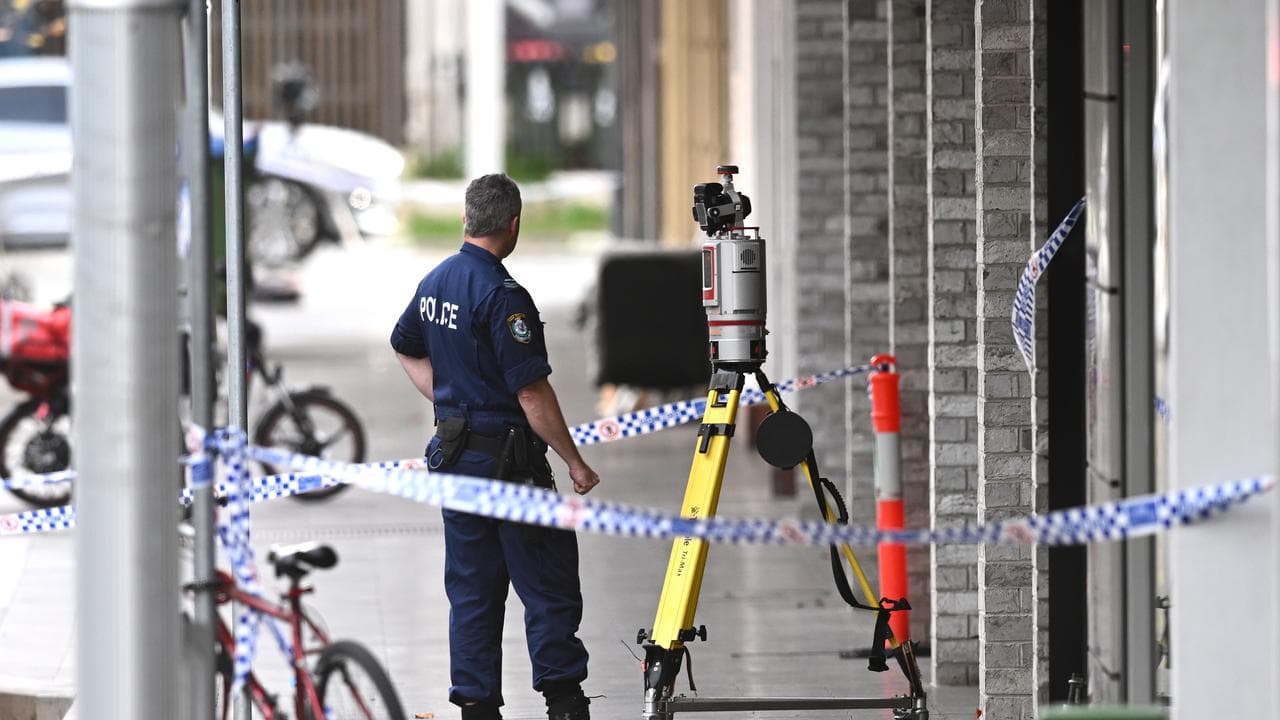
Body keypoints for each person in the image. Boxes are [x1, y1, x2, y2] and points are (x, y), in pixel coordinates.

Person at [390, 173, 600, 720]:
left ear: (466, 219)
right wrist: (574, 461)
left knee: (472, 591)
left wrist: (449, 397)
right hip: (510, 468)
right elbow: (531, 391)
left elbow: (405, 346)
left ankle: (477, 706)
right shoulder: (503, 296)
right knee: (546, 581)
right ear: (514, 225)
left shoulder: (435, 282)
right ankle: (564, 701)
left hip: (456, 460)